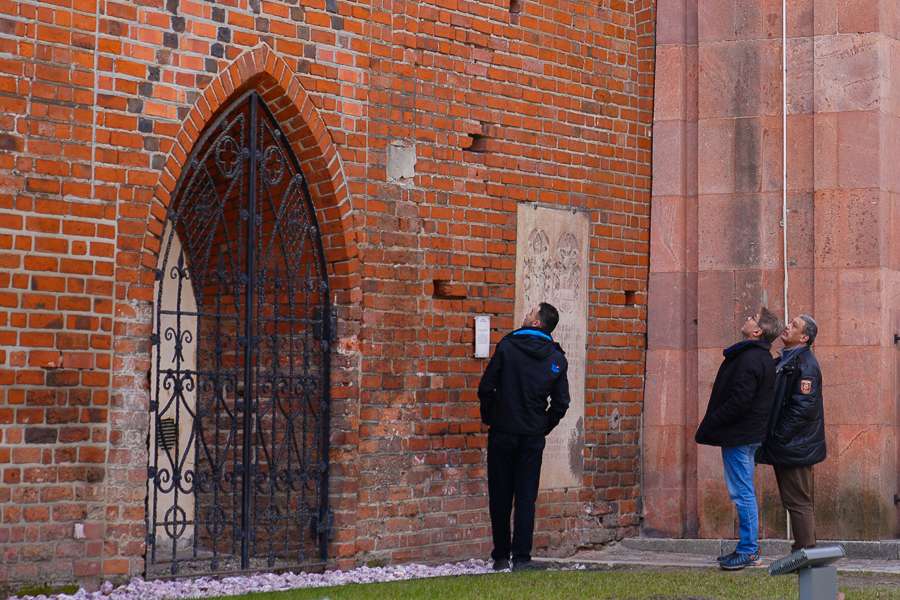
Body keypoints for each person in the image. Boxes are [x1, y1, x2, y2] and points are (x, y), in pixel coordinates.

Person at [478, 302, 570, 571]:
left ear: (536, 323)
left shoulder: (507, 346)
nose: (526, 314)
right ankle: (521, 559)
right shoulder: (556, 358)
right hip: (531, 436)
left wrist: (490, 417)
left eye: (531, 312)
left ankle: (499, 557)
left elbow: (486, 387)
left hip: (502, 432)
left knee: (500, 494)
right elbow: (562, 403)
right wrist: (543, 426)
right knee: (526, 496)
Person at [695, 307, 781, 570]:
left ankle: (748, 550)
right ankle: (747, 548)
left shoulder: (750, 359)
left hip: (740, 435)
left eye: (752, 318)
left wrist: (715, 420)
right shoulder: (756, 356)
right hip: (745, 433)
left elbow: (740, 401)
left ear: (757, 332)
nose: (747, 318)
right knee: (742, 491)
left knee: (742, 492)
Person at [756, 315, 825, 554]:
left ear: (804, 337)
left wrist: (777, 436)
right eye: (789, 323)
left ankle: (806, 552)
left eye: (794, 326)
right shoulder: (788, 359)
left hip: (794, 445)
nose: (787, 326)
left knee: (798, 501)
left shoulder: (804, 363)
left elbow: (803, 408)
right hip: (789, 444)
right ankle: (804, 549)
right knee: (794, 500)